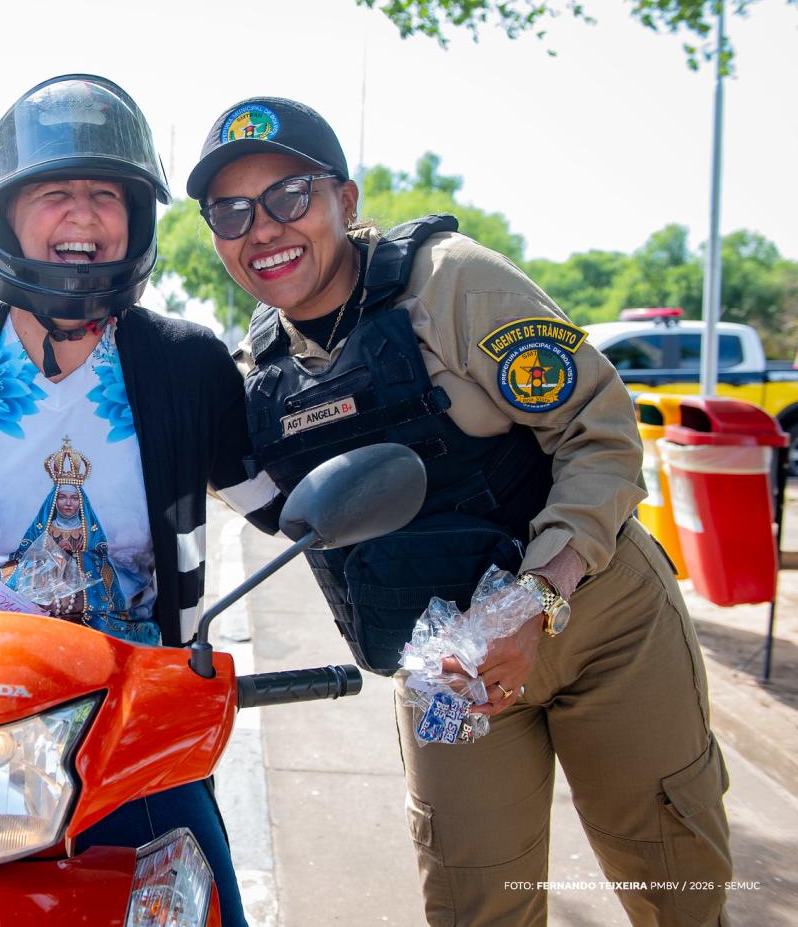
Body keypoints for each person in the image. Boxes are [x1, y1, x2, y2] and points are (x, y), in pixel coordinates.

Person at [186, 96, 732, 926]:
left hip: (594, 617)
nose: (262, 228)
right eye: (231, 211)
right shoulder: (258, 379)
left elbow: (603, 429)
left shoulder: (449, 283)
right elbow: (270, 509)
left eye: (289, 196)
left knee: (675, 886)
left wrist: (535, 596)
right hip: (445, 667)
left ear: (347, 199)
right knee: (477, 899)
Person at [0, 75, 281, 927]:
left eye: (106, 194)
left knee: (213, 904)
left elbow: (278, 504)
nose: (84, 216)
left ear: (135, 221)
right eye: (55, 192)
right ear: (1, 219)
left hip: (130, 721)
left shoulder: (188, 365)